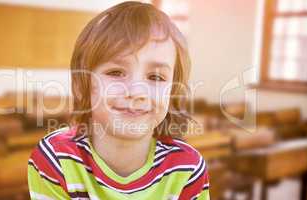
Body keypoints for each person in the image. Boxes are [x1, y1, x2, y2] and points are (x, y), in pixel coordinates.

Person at [27, 1, 210, 199]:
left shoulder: (188, 169)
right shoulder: (56, 158)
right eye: (116, 72)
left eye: (156, 77)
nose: (136, 92)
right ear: (82, 85)